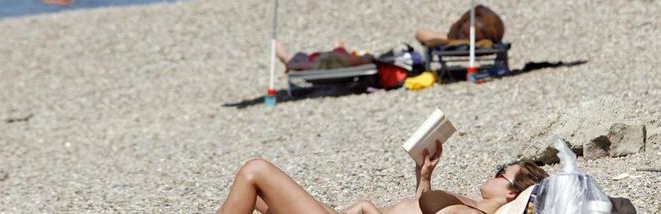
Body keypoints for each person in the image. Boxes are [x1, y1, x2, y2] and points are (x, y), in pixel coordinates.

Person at [216, 141, 549, 214]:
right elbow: (424, 206)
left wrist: (371, 212)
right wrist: (424, 176)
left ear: (511, 193)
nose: (493, 172)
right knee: (259, 199)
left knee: (255, 171)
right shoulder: (474, 205)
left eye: (500, 173)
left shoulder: (477, 213)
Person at [415, 5, 505, 46]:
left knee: (422, 34)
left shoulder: (462, 29)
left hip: (467, 34)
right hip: (482, 36)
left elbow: (420, 34)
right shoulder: (493, 29)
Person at [276, 40, 374, 71]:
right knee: (298, 57)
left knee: (298, 56)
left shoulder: (318, 64)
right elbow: (368, 58)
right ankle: (280, 50)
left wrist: (289, 65)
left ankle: (279, 49)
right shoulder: (350, 61)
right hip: (341, 62)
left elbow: (292, 65)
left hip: (315, 61)